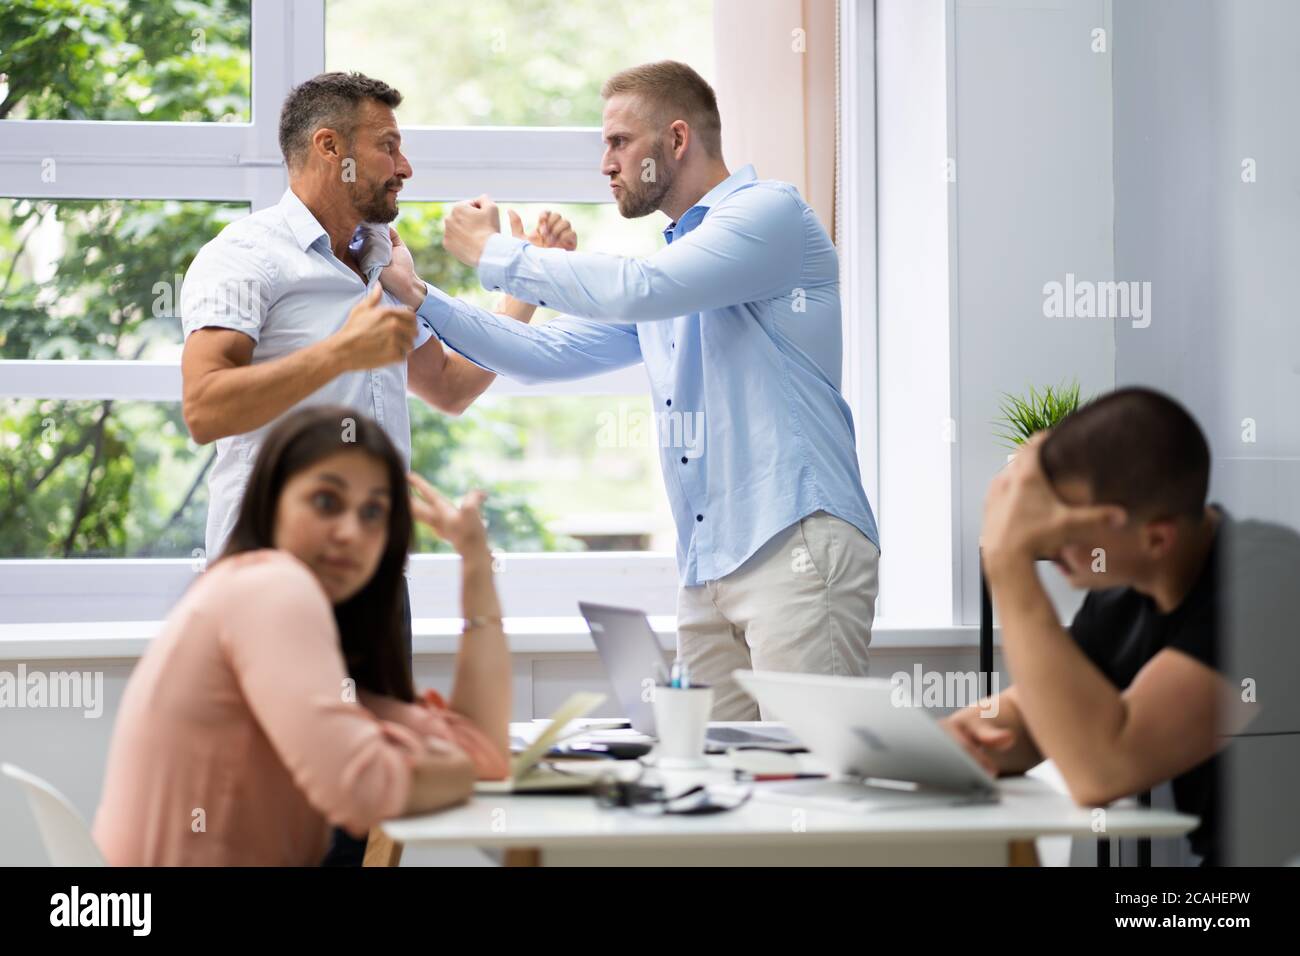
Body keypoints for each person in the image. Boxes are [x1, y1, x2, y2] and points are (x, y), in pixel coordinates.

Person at [377, 61, 880, 721]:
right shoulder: (675, 271)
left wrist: (494, 251)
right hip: (708, 572)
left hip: (798, 548)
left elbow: (640, 288)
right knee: (710, 786)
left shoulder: (768, 215)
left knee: (815, 785)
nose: (605, 164)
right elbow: (539, 355)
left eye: (618, 143)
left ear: (676, 141)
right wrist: (421, 297)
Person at [92, 406, 510, 866]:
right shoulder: (271, 588)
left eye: (374, 513)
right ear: (271, 501)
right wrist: (454, 768)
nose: (352, 532)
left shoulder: (300, 612)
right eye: (327, 502)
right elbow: (360, 791)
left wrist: (474, 562)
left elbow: (486, 755)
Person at [940, 387, 1279, 865]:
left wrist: (1006, 562)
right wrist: (968, 735)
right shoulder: (1123, 593)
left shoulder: (1269, 587)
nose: (1050, 543)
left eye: (1069, 531)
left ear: (1155, 537)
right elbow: (1042, 718)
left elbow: (1102, 771)